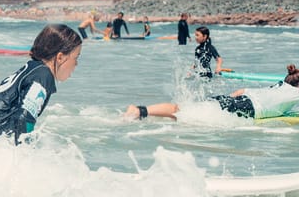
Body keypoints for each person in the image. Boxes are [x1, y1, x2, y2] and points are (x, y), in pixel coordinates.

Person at [125, 64, 299, 121]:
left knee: (184, 110)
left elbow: (240, 91)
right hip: (245, 107)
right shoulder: (294, 94)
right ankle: (138, 111)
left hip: (237, 100)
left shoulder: (277, 86)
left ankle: (141, 112)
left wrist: (224, 101)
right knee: (183, 112)